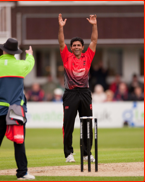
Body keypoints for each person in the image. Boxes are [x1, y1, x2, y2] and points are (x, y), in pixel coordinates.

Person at [0, 38, 35, 180]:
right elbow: (30, 63)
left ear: (4, 50)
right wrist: (30, 54)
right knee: (19, 141)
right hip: (16, 109)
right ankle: (22, 173)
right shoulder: (21, 66)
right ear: (15, 52)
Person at [58, 14, 98, 163]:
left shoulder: (88, 56)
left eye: (78, 45)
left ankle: (87, 154)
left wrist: (94, 25)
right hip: (70, 93)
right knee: (68, 124)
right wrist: (61, 28)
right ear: (71, 47)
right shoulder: (66, 56)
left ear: (82, 47)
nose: (76, 47)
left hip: (85, 93)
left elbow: (94, 40)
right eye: (73, 45)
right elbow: (61, 42)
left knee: (87, 123)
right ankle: (69, 154)